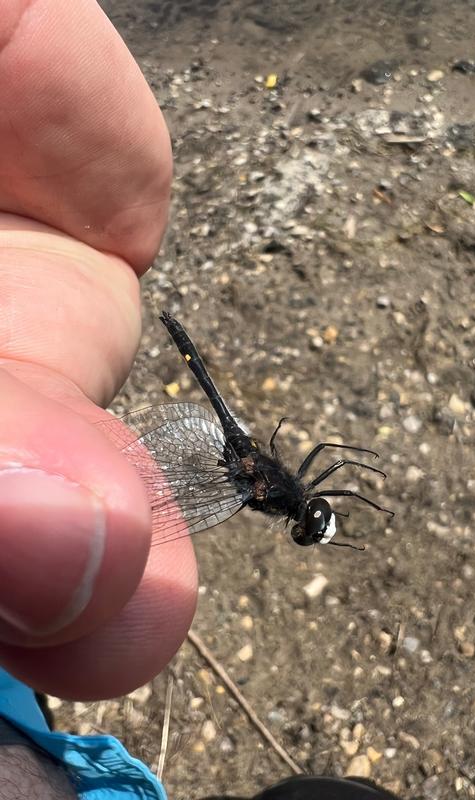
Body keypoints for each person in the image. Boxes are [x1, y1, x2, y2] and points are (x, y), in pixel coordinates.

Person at [0, 2, 396, 797]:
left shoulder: (275, 493)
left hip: (236, 458)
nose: (316, 510)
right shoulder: (282, 491)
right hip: (236, 456)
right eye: (317, 517)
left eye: (312, 520)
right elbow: (318, 465)